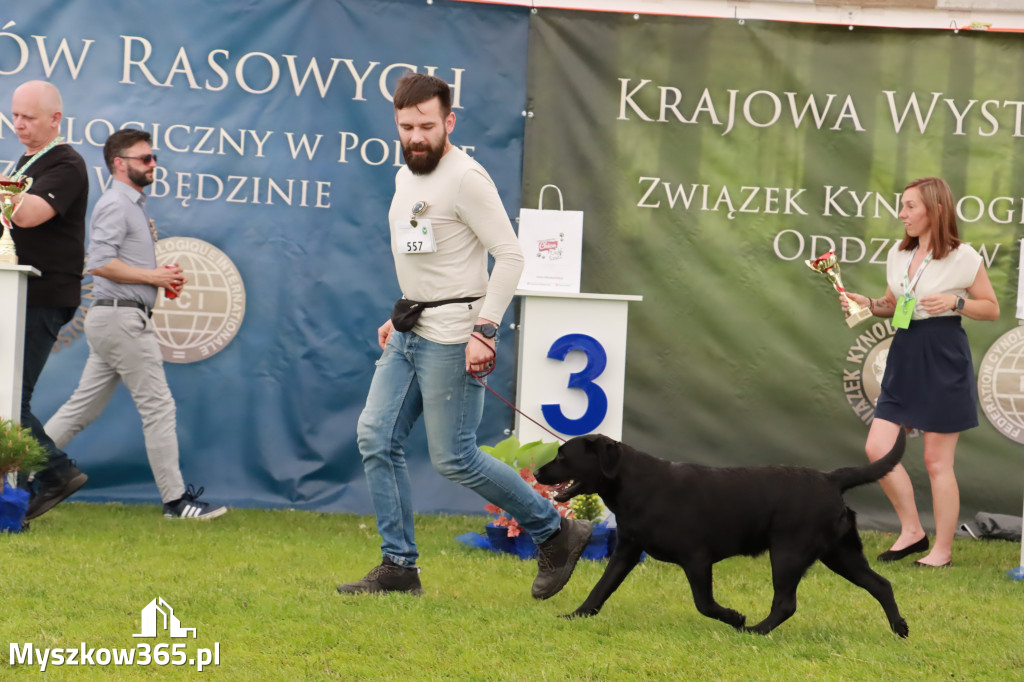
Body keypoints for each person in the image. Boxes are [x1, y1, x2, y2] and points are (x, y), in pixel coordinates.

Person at [337, 73, 592, 597]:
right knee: (375, 439)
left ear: (448, 122)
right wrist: (404, 310)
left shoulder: (466, 178)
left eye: (426, 126)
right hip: (410, 331)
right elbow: (426, 253)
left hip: (455, 337)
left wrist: (485, 329)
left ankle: (555, 530)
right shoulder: (405, 176)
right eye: (406, 127)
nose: (415, 137)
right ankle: (399, 568)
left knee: (454, 456)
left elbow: (512, 255)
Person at [39, 128, 227, 521]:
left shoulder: (129, 205)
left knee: (80, 409)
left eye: (153, 157)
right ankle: (176, 502)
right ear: (119, 164)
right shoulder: (116, 204)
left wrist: (156, 277)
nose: (153, 164)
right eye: (145, 159)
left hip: (116, 316)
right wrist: (153, 278)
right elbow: (100, 263)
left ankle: (18, 473)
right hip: (122, 318)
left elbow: (111, 263)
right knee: (158, 407)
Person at [845, 177, 999, 568]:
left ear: (936, 209)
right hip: (904, 353)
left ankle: (942, 551)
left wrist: (956, 300)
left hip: (944, 354)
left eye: (910, 206)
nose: (902, 214)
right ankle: (912, 531)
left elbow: (991, 309)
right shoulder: (898, 254)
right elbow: (892, 304)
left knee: (936, 462)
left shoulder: (964, 256)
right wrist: (865, 302)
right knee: (876, 449)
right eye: (903, 206)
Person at [1, 80, 89, 518]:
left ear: (55, 119)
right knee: (6, 396)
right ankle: (38, 478)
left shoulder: (67, 163)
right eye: (14, 114)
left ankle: (56, 472)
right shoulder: (26, 161)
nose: (18, 123)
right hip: (18, 291)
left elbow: (30, 214)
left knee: (11, 398)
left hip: (42, 293)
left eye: (28, 117)